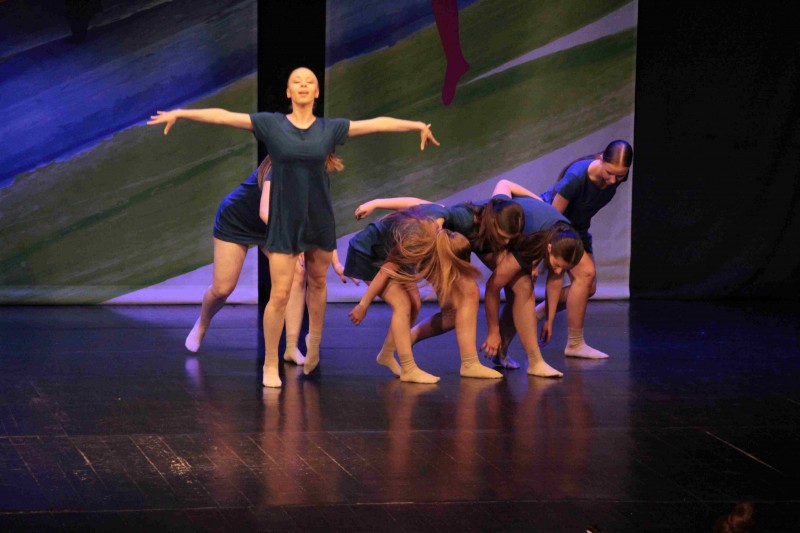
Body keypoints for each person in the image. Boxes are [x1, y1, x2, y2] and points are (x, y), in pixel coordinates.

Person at [148, 66, 439, 387]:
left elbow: (373, 126)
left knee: (298, 276)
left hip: (280, 224)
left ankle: (289, 348)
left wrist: (415, 125)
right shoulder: (277, 162)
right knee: (223, 288)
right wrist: (182, 113)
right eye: (296, 82)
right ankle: (202, 324)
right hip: (242, 218)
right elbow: (228, 124)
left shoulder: (317, 169)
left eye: (309, 82)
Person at [347, 206, 502, 382]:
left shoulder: (436, 237)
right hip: (366, 252)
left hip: (390, 248)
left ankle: (387, 354)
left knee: (415, 302)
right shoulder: (417, 241)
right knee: (402, 304)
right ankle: (408, 369)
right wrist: (363, 305)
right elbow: (385, 271)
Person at [536, 140, 634, 359]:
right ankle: (574, 343)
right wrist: (547, 253)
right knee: (586, 274)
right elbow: (553, 218)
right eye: (609, 173)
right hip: (556, 224)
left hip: (578, 228)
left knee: (589, 287)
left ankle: (538, 312)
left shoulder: (617, 176)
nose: (613, 180)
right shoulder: (577, 176)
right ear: (600, 159)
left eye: (619, 176)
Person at [479, 179, 584, 377]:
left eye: (563, 268)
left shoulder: (564, 237)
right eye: (557, 265)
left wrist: (549, 320)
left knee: (518, 291)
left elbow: (555, 279)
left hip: (520, 238)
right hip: (485, 233)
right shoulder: (536, 238)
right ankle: (535, 362)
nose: (558, 271)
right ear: (549, 248)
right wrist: (493, 331)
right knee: (523, 286)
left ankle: (501, 353)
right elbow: (493, 286)